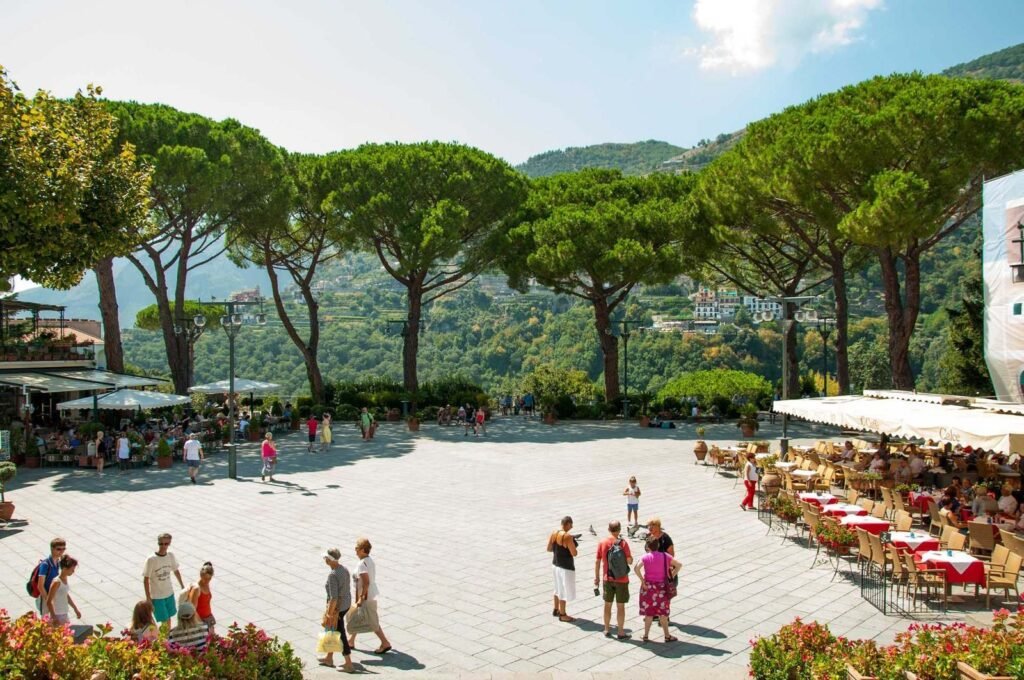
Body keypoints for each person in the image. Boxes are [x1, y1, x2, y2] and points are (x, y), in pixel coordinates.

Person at [634, 535, 681, 643]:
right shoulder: (665, 556)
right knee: (663, 613)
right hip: (662, 588)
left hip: (648, 588)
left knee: (649, 613)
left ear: (648, 547)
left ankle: (646, 635)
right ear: (658, 545)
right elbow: (678, 565)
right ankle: (667, 635)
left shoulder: (645, 557)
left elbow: (636, 568)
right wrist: (671, 576)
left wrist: (642, 580)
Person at [348, 537, 392, 654]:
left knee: (371, 620)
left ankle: (385, 642)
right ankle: (351, 641)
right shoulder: (369, 560)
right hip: (367, 593)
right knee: (357, 616)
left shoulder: (362, 564)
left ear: (362, 550)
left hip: (364, 596)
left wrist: (361, 598)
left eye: (357, 548)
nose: (355, 550)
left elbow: (366, 582)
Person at [595, 521, 633, 639]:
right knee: (620, 606)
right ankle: (621, 632)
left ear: (608, 529)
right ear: (619, 530)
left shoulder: (602, 542)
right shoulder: (623, 543)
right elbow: (629, 561)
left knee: (607, 605)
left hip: (608, 578)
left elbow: (597, 561)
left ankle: (606, 629)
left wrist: (597, 578)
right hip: (621, 579)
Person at [319, 548, 354, 672]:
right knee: (332, 631)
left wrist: (329, 613)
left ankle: (348, 663)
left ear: (330, 560)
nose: (325, 560)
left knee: (339, 633)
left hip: (337, 608)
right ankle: (329, 658)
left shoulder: (332, 575)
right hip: (346, 604)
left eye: (326, 558)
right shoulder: (343, 569)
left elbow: (333, 597)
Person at [143, 533, 184, 633]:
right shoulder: (151, 559)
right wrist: (148, 598)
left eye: (166, 544)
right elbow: (146, 579)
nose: (163, 546)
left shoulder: (170, 556)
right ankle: (164, 639)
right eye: (161, 544)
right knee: (164, 621)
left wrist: (182, 586)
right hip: (157, 596)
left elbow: (176, 571)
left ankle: (165, 638)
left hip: (169, 593)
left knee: (169, 618)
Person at [546, 516, 578, 623]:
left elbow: (549, 548)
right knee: (563, 590)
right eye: (571, 524)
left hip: (555, 564)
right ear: (567, 524)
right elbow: (574, 553)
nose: (572, 527)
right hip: (565, 567)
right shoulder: (567, 536)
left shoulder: (554, 533)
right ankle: (563, 614)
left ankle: (556, 609)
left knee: (557, 587)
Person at [46, 554, 81, 625]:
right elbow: (49, 601)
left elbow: (65, 594)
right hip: (58, 615)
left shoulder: (65, 579)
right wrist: (54, 617)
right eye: (72, 570)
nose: (73, 572)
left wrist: (75, 608)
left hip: (64, 613)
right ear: (65, 569)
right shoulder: (57, 582)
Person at [34, 537, 65, 615]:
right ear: (52, 549)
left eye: (63, 549)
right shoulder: (45, 564)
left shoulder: (57, 562)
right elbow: (40, 586)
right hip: (46, 597)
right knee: (47, 622)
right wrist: (48, 601)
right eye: (58, 549)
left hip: (54, 595)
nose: (61, 552)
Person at [185, 562, 216, 636]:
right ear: (201, 575)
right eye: (205, 578)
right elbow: (192, 609)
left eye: (209, 578)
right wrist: (202, 625)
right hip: (200, 621)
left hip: (208, 618)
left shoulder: (206, 584)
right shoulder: (196, 588)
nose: (207, 581)